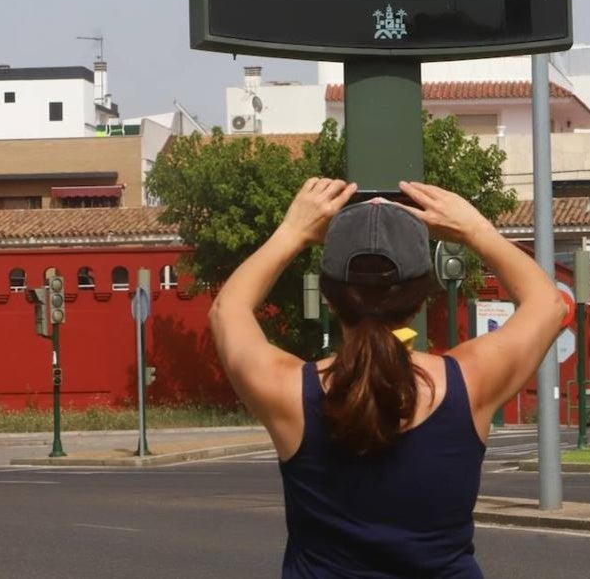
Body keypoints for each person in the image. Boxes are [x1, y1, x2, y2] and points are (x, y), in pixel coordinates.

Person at [209, 178, 567, 577]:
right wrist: (476, 230)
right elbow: (549, 304)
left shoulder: (289, 391)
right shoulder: (470, 382)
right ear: (422, 298)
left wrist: (292, 232)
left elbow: (228, 310)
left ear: (328, 296)